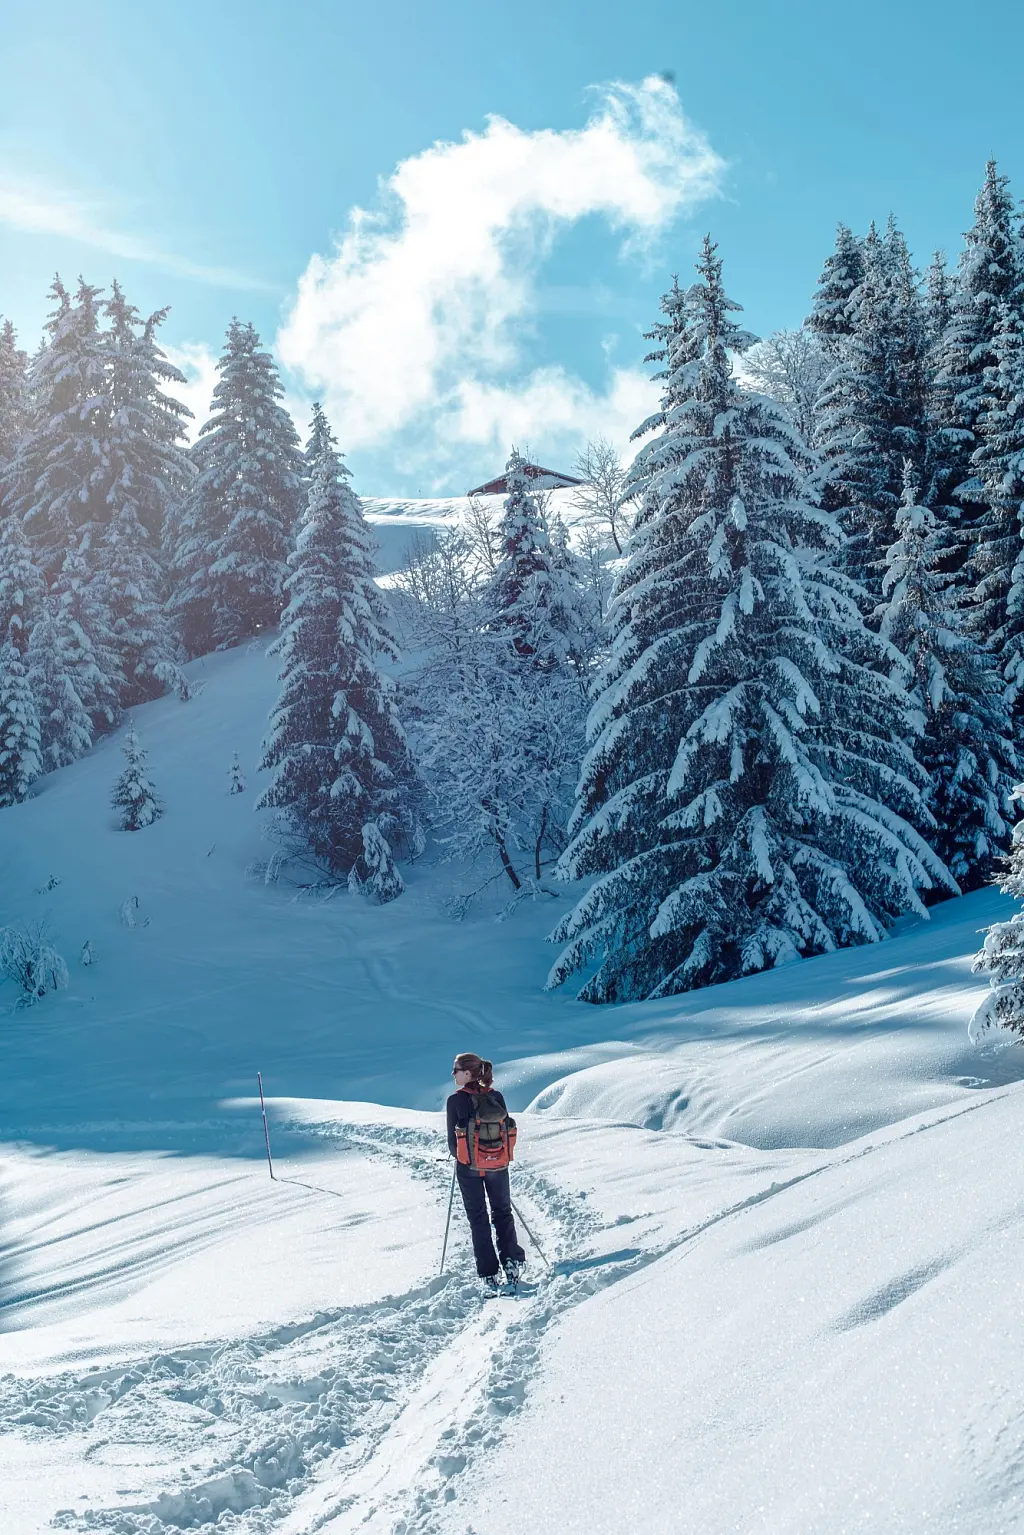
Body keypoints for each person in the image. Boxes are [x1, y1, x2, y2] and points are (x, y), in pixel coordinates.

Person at [447, 1052, 526, 1291]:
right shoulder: (497, 1096)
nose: (454, 1074)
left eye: (457, 1070)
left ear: (468, 1073)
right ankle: (511, 1262)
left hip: (469, 1168)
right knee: (502, 1212)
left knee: (478, 1218)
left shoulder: (455, 1100)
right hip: (498, 1165)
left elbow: (453, 1144)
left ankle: (489, 1273)